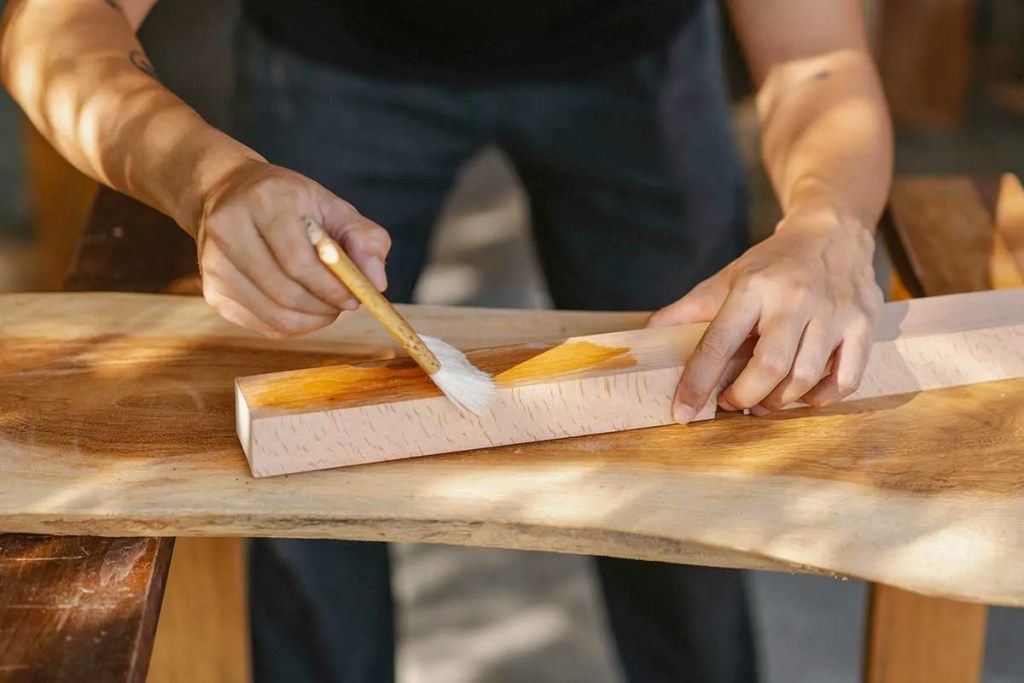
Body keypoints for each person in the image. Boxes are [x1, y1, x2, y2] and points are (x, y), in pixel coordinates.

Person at [0, 0, 892, 681]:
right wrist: (210, 180)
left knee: (697, 419)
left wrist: (830, 222)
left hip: (637, 54)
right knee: (307, 482)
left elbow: (817, 59)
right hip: (336, 55)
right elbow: (51, 30)